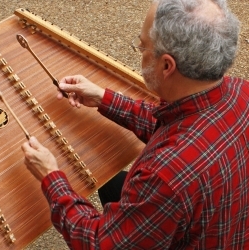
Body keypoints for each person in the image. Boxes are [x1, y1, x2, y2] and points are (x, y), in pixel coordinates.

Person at [21, 0, 249, 249]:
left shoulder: (165, 177)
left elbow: (98, 243)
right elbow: (175, 125)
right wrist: (104, 98)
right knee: (113, 185)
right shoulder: (241, 91)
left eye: (142, 47)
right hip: (229, 223)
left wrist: (50, 176)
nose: (140, 51)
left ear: (166, 66)